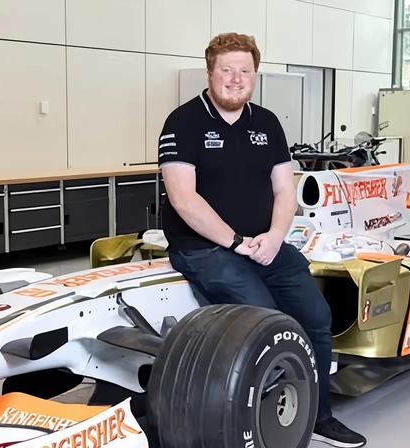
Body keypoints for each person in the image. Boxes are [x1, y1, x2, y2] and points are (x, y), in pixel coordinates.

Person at [157, 32, 367, 448]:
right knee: (268, 320)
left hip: (265, 245)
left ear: (255, 74)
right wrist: (236, 242)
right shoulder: (182, 122)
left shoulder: (267, 123)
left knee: (315, 316)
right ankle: (264, 419)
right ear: (210, 72)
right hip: (205, 249)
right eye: (226, 70)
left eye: (245, 71)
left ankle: (318, 414)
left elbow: (284, 191)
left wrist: (274, 237)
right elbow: (184, 199)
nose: (235, 79)